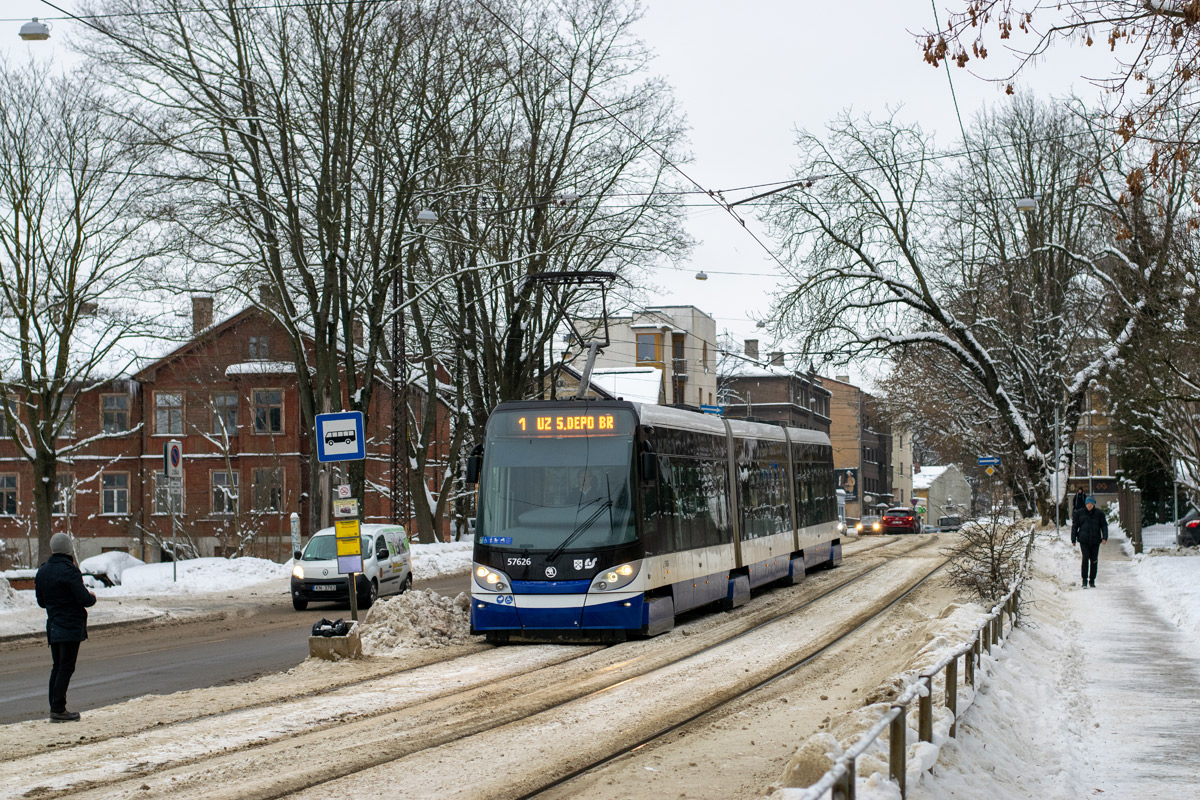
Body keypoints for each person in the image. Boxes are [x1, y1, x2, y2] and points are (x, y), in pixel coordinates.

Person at [34, 533, 96, 722]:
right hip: (70, 625)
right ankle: (58, 709)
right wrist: (92, 596)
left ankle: (55, 706)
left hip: (53, 624)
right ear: (68, 549)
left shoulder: (43, 571)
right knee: (66, 667)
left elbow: (41, 602)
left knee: (57, 667)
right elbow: (84, 599)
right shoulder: (70, 571)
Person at [1070, 495, 1108, 588]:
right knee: (1085, 558)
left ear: (1094, 504)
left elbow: (1104, 526)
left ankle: (1092, 580)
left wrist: (1105, 537)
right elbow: (1075, 526)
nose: (1089, 505)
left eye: (1091, 503)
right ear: (1085, 504)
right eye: (1088, 503)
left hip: (1095, 540)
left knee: (1094, 560)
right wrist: (1073, 538)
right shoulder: (1080, 513)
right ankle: (1084, 581)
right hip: (1084, 540)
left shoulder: (1099, 514)